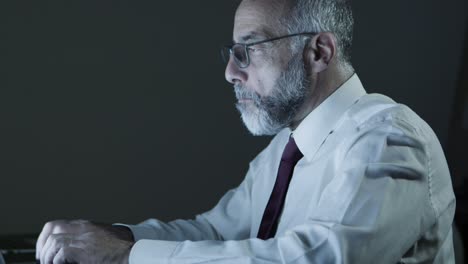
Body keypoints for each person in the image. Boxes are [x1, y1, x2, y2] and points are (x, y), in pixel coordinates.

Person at [35, 0, 456, 263]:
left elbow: (321, 259)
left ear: (319, 52)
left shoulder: (389, 139)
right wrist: (114, 238)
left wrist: (129, 257)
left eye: (249, 50)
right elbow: (217, 233)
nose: (230, 72)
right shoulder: (284, 150)